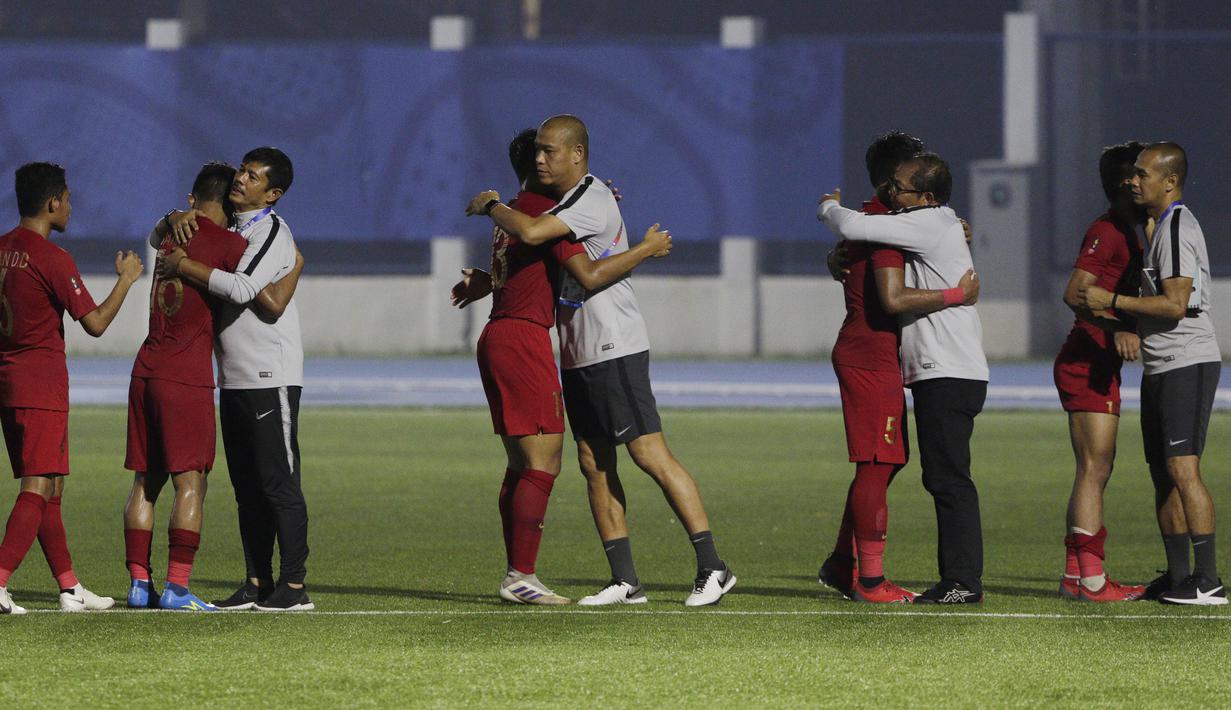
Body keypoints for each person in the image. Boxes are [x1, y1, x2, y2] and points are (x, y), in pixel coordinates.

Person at [467, 115, 734, 606]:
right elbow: (539, 262)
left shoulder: (587, 200)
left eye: (550, 151)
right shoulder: (568, 202)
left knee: (649, 453)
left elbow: (574, 267)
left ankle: (713, 565)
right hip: (575, 349)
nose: (541, 159)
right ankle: (625, 580)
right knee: (593, 462)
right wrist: (492, 278)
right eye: (538, 152)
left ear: (578, 154)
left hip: (614, 342)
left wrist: (490, 205)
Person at [123, 161, 302, 611]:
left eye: (254, 177)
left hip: (146, 366)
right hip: (187, 375)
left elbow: (156, 234)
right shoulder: (228, 243)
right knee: (193, 484)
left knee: (146, 482)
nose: (244, 183)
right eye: (240, 178)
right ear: (225, 202)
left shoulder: (169, 236)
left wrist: (171, 219)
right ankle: (178, 588)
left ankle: (139, 585)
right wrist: (295, 266)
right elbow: (256, 292)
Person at [819, 152, 989, 604]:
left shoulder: (923, 223)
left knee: (944, 478)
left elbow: (857, 235)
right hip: (934, 366)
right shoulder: (926, 222)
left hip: (947, 368)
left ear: (927, 197)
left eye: (902, 187)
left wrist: (827, 208)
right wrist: (838, 256)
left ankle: (961, 582)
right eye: (892, 184)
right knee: (899, 466)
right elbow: (856, 245)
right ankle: (848, 567)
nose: (894, 193)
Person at [1079, 141, 1224, 605]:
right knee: (1163, 474)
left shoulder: (1178, 226)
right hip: (1163, 363)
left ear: (1170, 181)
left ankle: (1208, 579)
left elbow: (1176, 304)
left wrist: (1114, 302)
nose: (1132, 180)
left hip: (1187, 360)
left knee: (1183, 468)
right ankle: (1179, 576)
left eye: (1142, 174)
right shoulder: (1158, 225)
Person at [0, 162, 143, 614]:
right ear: (52, 203)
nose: (71, 206)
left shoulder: (2, 249)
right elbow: (96, 323)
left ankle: (69, 586)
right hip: (41, 385)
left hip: (9, 381)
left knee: (51, 488)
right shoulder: (52, 258)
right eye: (68, 198)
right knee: (38, 486)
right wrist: (126, 281)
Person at [1053, 143, 1147, 602]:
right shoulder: (1107, 231)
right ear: (1125, 182)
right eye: (1141, 172)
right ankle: (1091, 579)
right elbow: (1075, 293)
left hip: (1096, 359)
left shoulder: (1130, 230)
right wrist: (1115, 331)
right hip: (1086, 359)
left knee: (1097, 467)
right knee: (1095, 466)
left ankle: (1076, 575)